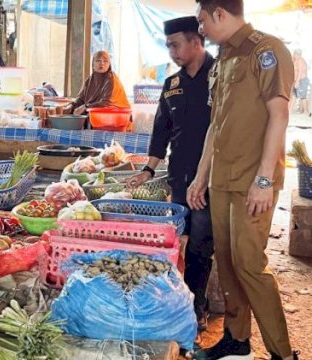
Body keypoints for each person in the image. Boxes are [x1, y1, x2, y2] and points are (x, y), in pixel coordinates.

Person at [190, 1, 298, 360]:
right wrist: (201, 176)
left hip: (254, 181)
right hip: (223, 178)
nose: (201, 29)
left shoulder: (266, 50)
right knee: (228, 262)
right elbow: (214, 125)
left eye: (203, 20)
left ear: (220, 13)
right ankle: (237, 339)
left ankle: (282, 353)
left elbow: (278, 115)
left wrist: (265, 180)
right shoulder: (222, 59)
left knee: (250, 264)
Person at [128, 16, 215, 338]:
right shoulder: (172, 84)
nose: (172, 52)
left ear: (196, 42)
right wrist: (148, 169)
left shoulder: (220, 77)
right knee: (178, 239)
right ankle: (178, 301)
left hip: (211, 178)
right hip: (179, 176)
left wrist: (204, 178)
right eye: (168, 46)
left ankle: (198, 307)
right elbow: (161, 130)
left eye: (176, 44)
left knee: (201, 244)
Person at [71, 50, 131, 115]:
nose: (102, 63)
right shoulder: (89, 81)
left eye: (105, 61)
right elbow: (80, 100)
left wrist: (85, 107)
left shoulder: (111, 79)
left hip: (114, 117)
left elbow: (106, 103)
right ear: (93, 64)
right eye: (98, 60)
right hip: (95, 116)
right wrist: (71, 106)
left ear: (109, 65)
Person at [292, 49, 309, 115]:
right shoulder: (296, 60)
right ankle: (290, 110)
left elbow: (300, 72)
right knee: (294, 95)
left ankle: (305, 111)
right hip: (298, 80)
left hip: (301, 80)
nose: (293, 55)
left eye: (294, 54)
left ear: (296, 54)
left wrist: (297, 81)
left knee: (302, 96)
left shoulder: (300, 60)